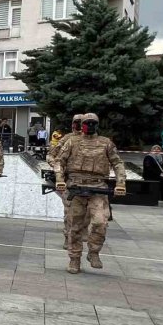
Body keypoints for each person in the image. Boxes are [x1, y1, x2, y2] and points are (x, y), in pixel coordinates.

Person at [56, 112, 126, 274]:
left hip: (98, 188)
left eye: (93, 123)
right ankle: (74, 259)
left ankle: (94, 252)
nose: (89, 126)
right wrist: (60, 179)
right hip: (76, 188)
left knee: (100, 222)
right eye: (87, 123)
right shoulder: (72, 141)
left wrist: (120, 183)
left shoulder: (105, 143)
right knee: (75, 226)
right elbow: (60, 161)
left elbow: (117, 163)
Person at [48, 114, 83, 245]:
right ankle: (68, 238)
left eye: (81, 122)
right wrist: (59, 171)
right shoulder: (67, 139)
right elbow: (52, 156)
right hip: (71, 181)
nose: (79, 125)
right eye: (76, 122)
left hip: (93, 183)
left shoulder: (98, 141)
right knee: (70, 213)